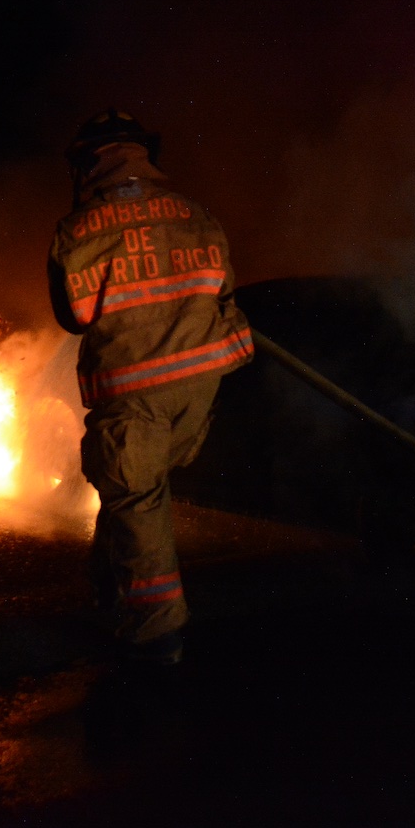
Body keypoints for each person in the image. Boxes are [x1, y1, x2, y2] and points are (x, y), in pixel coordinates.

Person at [48, 109, 253, 666]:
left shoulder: (79, 230)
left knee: (136, 496)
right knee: (132, 488)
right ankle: (111, 594)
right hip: (201, 387)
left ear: (88, 163)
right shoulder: (197, 215)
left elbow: (74, 315)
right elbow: (224, 294)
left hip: (135, 387)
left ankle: (158, 637)